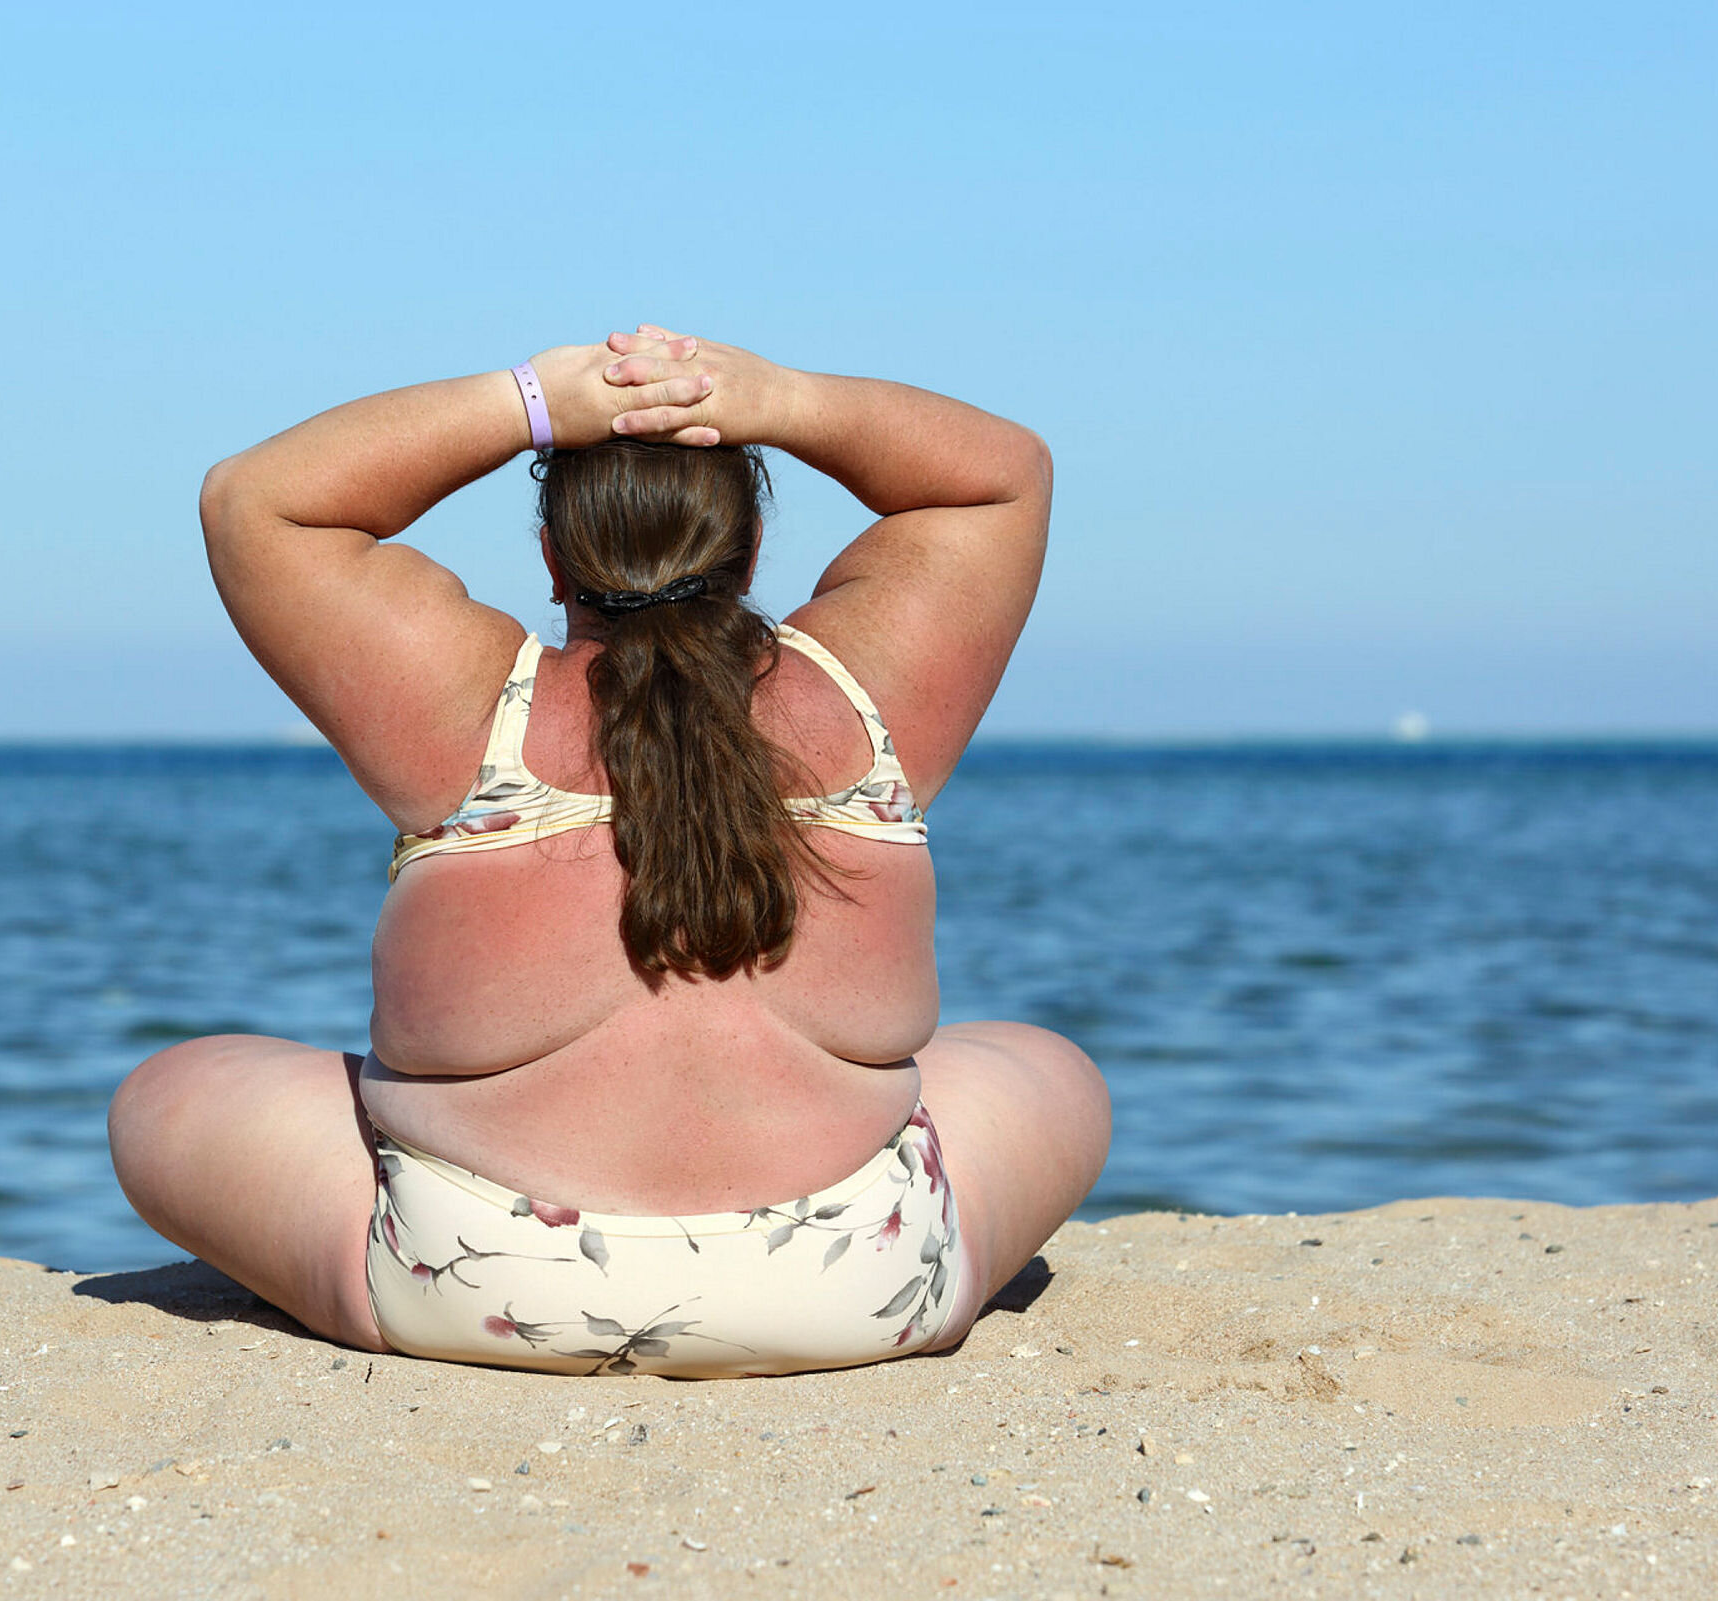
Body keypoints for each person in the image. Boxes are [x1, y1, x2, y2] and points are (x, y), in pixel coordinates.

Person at [108, 326, 1109, 1376]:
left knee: (169, 1090)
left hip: (482, 1283)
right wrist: (781, 398)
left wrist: (535, 399)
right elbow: (1002, 477)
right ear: (752, 548)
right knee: (1045, 1064)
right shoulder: (866, 696)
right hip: (858, 1282)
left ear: (553, 556)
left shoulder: (464, 708)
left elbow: (256, 498)